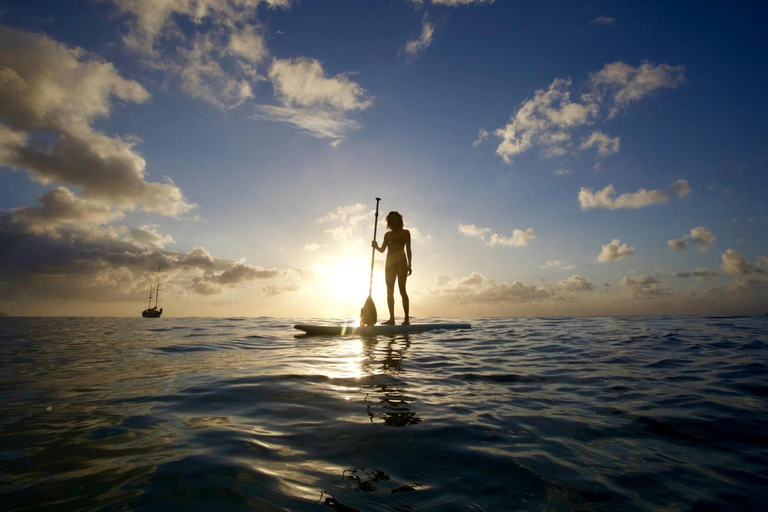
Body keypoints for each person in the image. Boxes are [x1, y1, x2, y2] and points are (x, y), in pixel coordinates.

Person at [372, 211, 412, 325]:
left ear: (400, 220)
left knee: (402, 290)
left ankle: (406, 320)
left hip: (401, 263)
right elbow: (382, 250)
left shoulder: (406, 233)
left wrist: (410, 264)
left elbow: (408, 249)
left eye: (395, 219)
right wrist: (376, 246)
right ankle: (392, 319)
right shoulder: (387, 235)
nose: (393, 222)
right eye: (391, 220)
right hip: (389, 264)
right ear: (388, 222)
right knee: (389, 292)